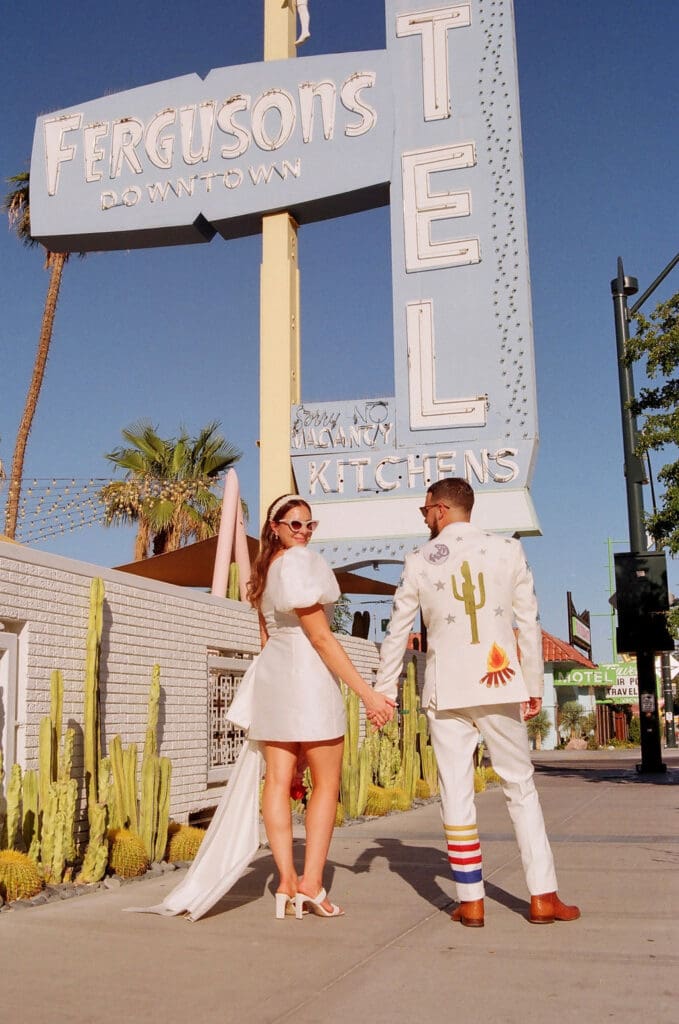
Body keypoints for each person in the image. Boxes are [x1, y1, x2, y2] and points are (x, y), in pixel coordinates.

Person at [128, 493, 394, 922]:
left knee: (278, 781)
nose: (303, 532)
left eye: (310, 525)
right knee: (325, 784)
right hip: (307, 674)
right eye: (294, 524)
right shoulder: (300, 564)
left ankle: (285, 883)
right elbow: (321, 638)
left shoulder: (264, 571)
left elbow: (267, 641)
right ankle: (309, 885)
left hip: (275, 677)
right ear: (275, 528)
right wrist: (368, 693)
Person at [374, 478, 580, 928]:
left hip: (446, 691)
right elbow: (529, 622)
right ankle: (543, 896)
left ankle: (471, 901)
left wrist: (384, 691)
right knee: (520, 788)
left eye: (426, 509)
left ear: (442, 509)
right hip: (499, 682)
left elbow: (395, 633)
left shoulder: (418, 561)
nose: (425, 517)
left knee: (456, 793)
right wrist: (533, 687)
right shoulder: (508, 551)